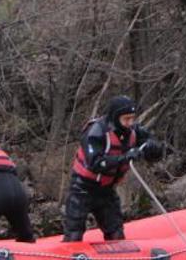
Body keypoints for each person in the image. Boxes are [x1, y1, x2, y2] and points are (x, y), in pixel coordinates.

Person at [62, 96, 164, 242]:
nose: (130, 123)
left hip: (106, 190)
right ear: (116, 117)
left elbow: (154, 148)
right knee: (74, 234)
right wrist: (126, 157)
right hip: (82, 189)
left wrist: (153, 147)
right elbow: (96, 163)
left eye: (132, 118)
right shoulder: (95, 132)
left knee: (116, 234)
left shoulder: (133, 131)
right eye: (126, 119)